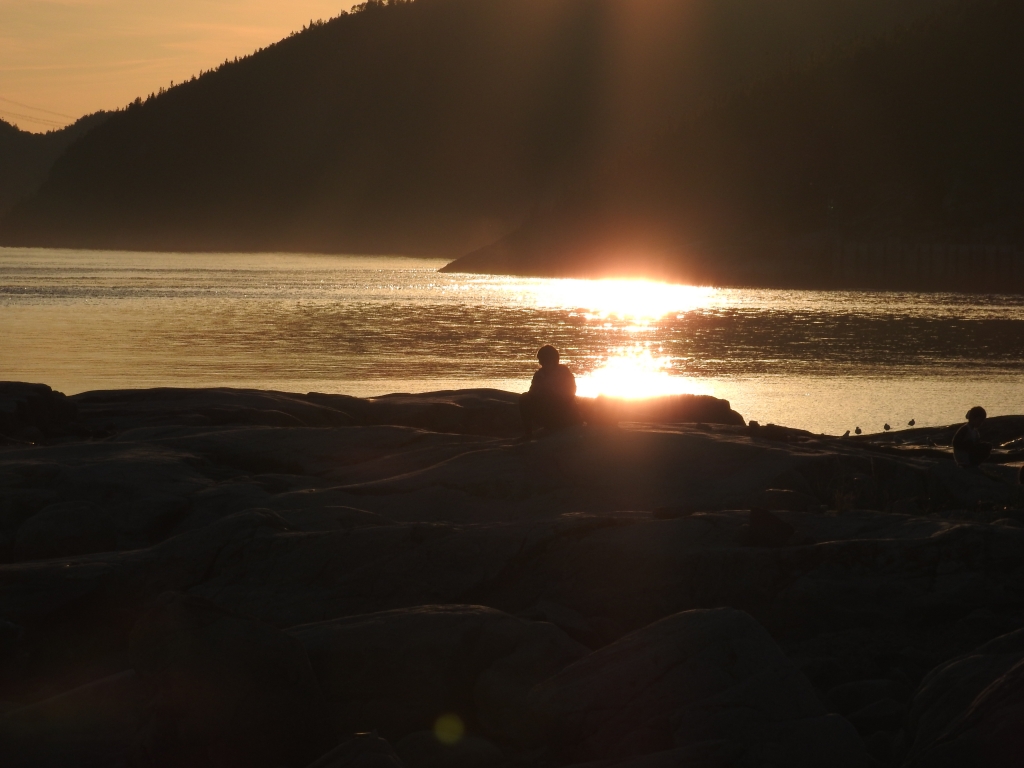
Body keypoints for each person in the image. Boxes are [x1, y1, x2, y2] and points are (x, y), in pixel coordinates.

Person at [519, 345, 582, 439]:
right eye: (540, 360)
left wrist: (551, 392)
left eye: (543, 360)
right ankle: (528, 433)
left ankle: (558, 426)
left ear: (552, 360)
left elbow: (570, 394)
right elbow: (532, 392)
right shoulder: (539, 374)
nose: (540, 363)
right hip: (546, 408)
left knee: (550, 398)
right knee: (524, 398)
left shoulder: (564, 372)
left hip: (564, 412)